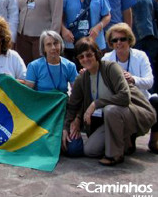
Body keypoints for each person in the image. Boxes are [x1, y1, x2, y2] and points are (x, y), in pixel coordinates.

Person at [62, 37, 156, 166]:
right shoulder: (82, 78)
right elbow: (73, 105)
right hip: (106, 122)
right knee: (90, 151)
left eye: (89, 54)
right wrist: (67, 127)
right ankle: (123, 139)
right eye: (81, 57)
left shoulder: (111, 68)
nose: (85, 59)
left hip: (131, 112)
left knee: (110, 109)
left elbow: (124, 97)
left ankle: (114, 155)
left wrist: (96, 103)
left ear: (96, 53)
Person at [102, 23, 158, 154]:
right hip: (120, 103)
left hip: (141, 101)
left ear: (129, 40)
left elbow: (150, 82)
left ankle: (154, 140)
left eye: (122, 39)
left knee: (157, 100)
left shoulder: (141, 56)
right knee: (128, 150)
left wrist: (133, 79)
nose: (119, 43)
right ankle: (128, 138)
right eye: (114, 40)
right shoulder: (106, 59)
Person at [125, 0, 158, 90]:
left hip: (136, 37)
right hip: (152, 35)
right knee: (151, 66)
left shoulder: (127, 0)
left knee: (137, 65)